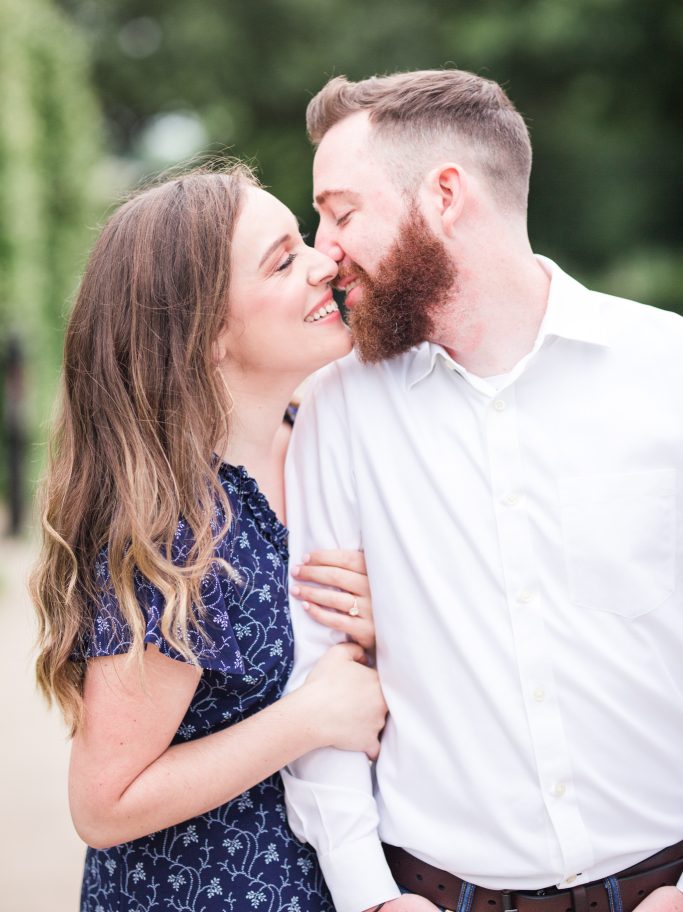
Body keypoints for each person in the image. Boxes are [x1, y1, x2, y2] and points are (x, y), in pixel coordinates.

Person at [281, 70, 683, 912]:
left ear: (445, 194)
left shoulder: (667, 371)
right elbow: (316, 669)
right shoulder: (333, 408)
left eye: (342, 211)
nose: (324, 250)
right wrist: (367, 896)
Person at [29, 165, 388, 912]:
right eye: (284, 260)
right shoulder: (180, 534)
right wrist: (309, 720)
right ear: (208, 334)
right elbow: (104, 804)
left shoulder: (321, 441)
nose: (326, 263)